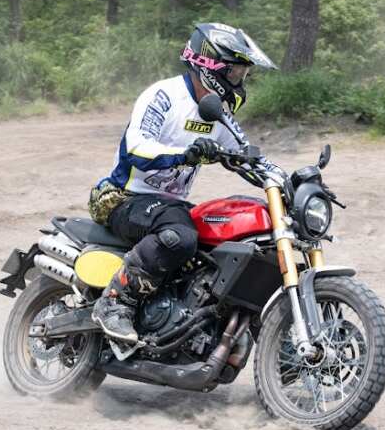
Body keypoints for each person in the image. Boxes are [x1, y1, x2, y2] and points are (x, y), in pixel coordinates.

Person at [87, 23, 277, 343]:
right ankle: (115, 303)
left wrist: (286, 178)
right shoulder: (164, 96)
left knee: (236, 235)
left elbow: (244, 155)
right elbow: (135, 147)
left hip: (166, 206)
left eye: (243, 75)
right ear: (209, 66)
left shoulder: (218, 112)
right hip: (124, 197)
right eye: (235, 73)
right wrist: (183, 154)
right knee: (180, 236)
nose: (239, 82)